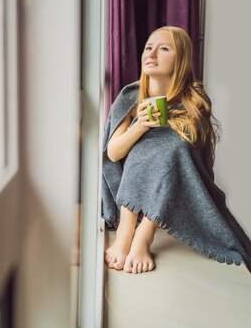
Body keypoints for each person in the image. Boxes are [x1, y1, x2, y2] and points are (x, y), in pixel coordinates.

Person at [101, 26, 251, 274]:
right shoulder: (130, 96)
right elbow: (113, 154)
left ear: (180, 58)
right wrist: (140, 125)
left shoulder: (194, 99)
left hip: (172, 187)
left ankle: (144, 236)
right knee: (142, 148)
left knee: (174, 149)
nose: (152, 53)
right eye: (149, 47)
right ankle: (125, 234)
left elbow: (193, 157)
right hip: (129, 187)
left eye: (163, 49)